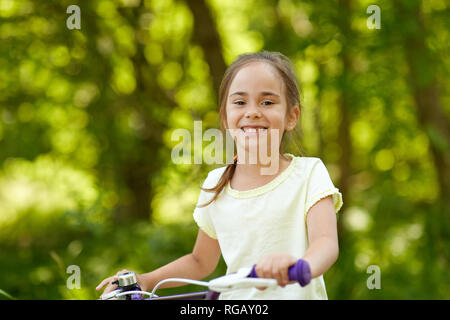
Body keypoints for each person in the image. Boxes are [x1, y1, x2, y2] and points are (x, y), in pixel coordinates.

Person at [96, 51, 343, 300]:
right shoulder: (215, 184)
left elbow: (325, 244)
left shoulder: (309, 173)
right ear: (225, 118)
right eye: (240, 102)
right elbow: (200, 260)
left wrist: (300, 266)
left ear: (292, 117)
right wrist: (146, 279)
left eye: (267, 102)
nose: (253, 112)